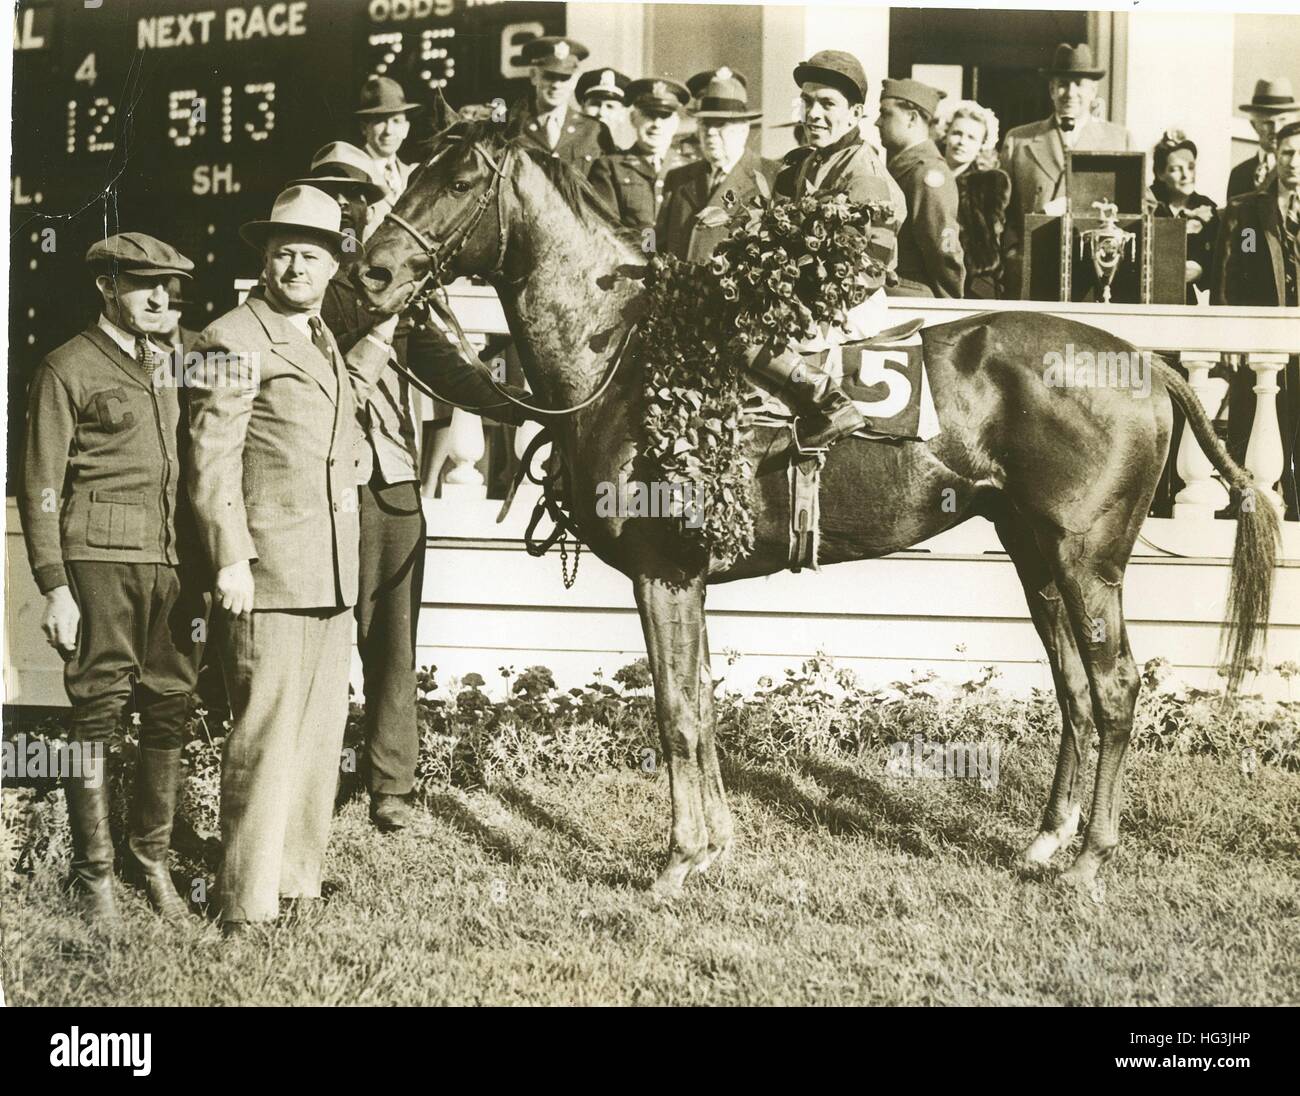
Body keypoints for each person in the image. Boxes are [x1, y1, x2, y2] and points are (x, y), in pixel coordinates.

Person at [187, 186, 399, 933]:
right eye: (283, 250)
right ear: (264, 258)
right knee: (266, 738)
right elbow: (212, 461)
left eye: (312, 250)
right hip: (269, 573)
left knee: (316, 737)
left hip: (331, 569)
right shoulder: (231, 340)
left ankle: (296, 883)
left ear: (335, 261)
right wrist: (231, 560)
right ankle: (244, 902)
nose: (296, 262)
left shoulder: (320, 339)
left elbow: (330, 423)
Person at [299, 145, 524, 833]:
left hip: (392, 484)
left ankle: (391, 787)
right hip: (323, 485)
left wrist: (522, 407)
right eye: (332, 194)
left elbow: (443, 367)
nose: (348, 208)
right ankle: (319, 780)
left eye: (359, 195)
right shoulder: (301, 286)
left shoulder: (393, 280)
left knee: (393, 644)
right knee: (323, 640)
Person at [18, 233, 208, 927]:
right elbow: (40, 485)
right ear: (106, 287)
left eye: (173, 289)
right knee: (97, 711)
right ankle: (94, 875)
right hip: (99, 559)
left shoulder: (191, 360)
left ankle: (150, 860)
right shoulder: (67, 366)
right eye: (144, 285)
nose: (163, 299)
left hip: (178, 564)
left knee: (169, 705)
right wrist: (55, 586)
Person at [755, 49, 907, 450]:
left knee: (748, 337)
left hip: (849, 306)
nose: (813, 114)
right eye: (807, 101)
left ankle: (833, 405)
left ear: (856, 114)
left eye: (827, 104)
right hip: (812, 296)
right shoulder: (808, 161)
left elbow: (872, 269)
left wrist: (803, 306)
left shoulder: (866, 173)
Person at [1212, 120, 1300, 518]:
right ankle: (1245, 507)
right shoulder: (1248, 211)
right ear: (1275, 155)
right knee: (1252, 423)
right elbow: (1234, 269)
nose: (1294, 162)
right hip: (1261, 338)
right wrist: (1230, 334)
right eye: (1287, 153)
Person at [1000, 43, 1133, 297]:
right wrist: (1013, 253)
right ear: (1051, 89)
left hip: (1097, 276)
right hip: (1033, 272)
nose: (1070, 93)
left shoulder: (1119, 139)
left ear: (1093, 90)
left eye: (1079, 84)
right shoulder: (1019, 140)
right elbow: (1000, 212)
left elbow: (1141, 206)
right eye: (1062, 83)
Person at [656, 69, 778, 263]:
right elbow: (656, 245)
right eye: (705, 123)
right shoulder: (678, 179)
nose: (711, 132)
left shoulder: (772, 177)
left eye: (720, 123)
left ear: (744, 128)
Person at [878, 78, 965, 298]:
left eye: (886, 113)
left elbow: (943, 251)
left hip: (915, 300)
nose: (878, 122)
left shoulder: (928, 173)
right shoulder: (904, 168)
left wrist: (950, 306)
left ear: (912, 118)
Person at [590, 78, 690, 230]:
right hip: (630, 252)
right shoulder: (610, 167)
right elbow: (607, 228)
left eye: (664, 116)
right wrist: (648, 249)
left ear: (675, 123)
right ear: (633, 119)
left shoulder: (691, 168)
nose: (656, 124)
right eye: (649, 115)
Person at [506, 36, 612, 178]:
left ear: (574, 81)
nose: (556, 85)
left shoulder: (594, 130)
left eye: (564, 78)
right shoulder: (512, 128)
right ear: (534, 76)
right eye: (549, 76)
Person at [936, 99, 1010, 299]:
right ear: (946, 135)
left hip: (974, 285)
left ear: (981, 145)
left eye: (971, 137)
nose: (962, 142)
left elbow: (994, 241)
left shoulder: (990, 184)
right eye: (957, 134)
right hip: (931, 281)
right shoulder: (927, 175)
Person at [1147, 130, 1218, 305]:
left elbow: (1221, 256)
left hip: (1187, 303)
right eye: (1176, 169)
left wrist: (1201, 270)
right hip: (1146, 299)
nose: (1187, 176)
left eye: (1191, 167)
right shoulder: (1147, 203)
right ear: (1160, 173)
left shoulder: (1208, 207)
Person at [357, 76, 421, 229]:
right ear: (364, 128)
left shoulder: (414, 175)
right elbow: (345, 233)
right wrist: (350, 251)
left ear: (406, 128)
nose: (389, 131)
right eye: (380, 121)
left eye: (396, 121)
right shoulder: (351, 174)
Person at [1227, 78, 1300, 201]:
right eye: (1268, 123)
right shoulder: (1239, 174)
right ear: (1254, 125)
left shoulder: (1296, 170)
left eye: (1283, 120)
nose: (1276, 130)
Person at [576, 66, 633, 150]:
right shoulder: (563, 153)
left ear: (622, 115)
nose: (601, 113)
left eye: (610, 106)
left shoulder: (621, 161)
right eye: (595, 104)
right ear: (582, 107)